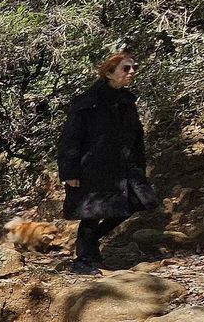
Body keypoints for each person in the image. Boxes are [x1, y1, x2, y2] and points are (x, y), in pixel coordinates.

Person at [57, 52, 155, 275]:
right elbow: (70, 139)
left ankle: (91, 244)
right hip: (92, 168)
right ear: (109, 73)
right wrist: (69, 171)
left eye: (133, 68)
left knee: (131, 204)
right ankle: (83, 260)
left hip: (124, 167)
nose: (131, 72)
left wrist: (139, 164)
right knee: (92, 213)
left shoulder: (127, 100)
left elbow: (135, 136)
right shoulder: (87, 103)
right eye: (125, 68)